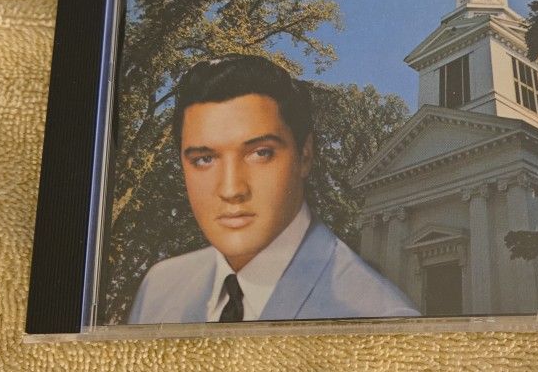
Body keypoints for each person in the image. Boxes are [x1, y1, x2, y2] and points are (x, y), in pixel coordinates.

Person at [128, 55, 419, 324]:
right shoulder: (158, 288)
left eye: (260, 153)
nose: (231, 189)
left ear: (305, 155)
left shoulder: (380, 318)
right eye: (204, 159)